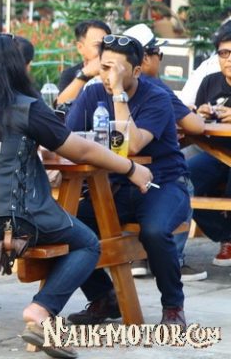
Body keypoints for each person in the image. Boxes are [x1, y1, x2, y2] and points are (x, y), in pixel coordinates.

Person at [0, 34, 152, 354]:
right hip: (7, 216)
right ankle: (41, 311)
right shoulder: (24, 107)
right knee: (86, 243)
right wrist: (129, 168)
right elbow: (81, 149)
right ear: (16, 67)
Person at [66, 33, 191, 328]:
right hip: (114, 188)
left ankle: (173, 306)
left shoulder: (157, 97)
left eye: (117, 69)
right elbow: (67, 140)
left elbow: (132, 145)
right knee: (64, 227)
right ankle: (104, 297)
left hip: (163, 184)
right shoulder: (91, 95)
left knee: (155, 232)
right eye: (104, 67)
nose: (108, 76)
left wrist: (119, 93)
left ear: (136, 71)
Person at [121, 24, 206, 282]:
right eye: (159, 53)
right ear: (146, 58)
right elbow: (196, 126)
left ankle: (138, 258)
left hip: (120, 174)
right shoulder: (155, 89)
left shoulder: (106, 87)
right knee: (184, 183)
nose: (160, 58)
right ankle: (174, 261)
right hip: (157, 174)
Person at [186, 25, 231, 269]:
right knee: (180, 179)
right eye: (224, 53)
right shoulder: (210, 82)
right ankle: (226, 236)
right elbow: (193, 121)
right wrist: (200, 114)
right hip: (215, 153)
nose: (229, 59)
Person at [56, 20, 111, 106]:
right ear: (80, 47)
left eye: (107, 45)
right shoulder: (70, 74)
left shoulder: (116, 71)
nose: (104, 50)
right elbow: (60, 105)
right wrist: (84, 75)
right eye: (98, 46)